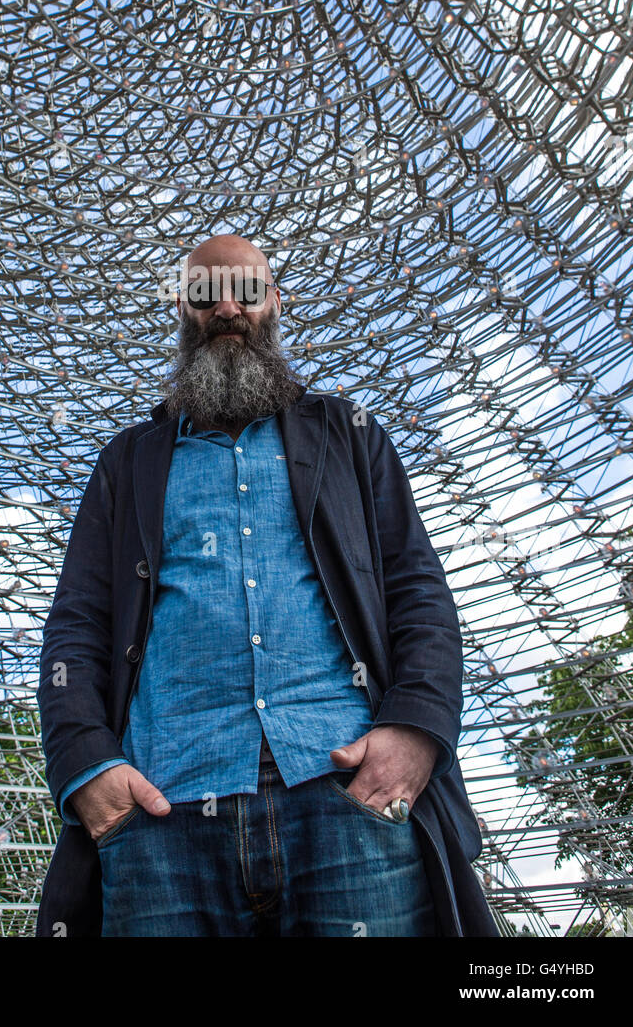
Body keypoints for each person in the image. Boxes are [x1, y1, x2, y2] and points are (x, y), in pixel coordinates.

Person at [36, 232, 498, 937]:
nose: (227, 306)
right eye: (204, 294)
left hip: (346, 800)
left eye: (247, 291)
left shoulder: (350, 435)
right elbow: (77, 620)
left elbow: (417, 589)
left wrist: (414, 731)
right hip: (163, 815)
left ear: (275, 304)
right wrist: (86, 765)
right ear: (184, 314)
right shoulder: (127, 462)